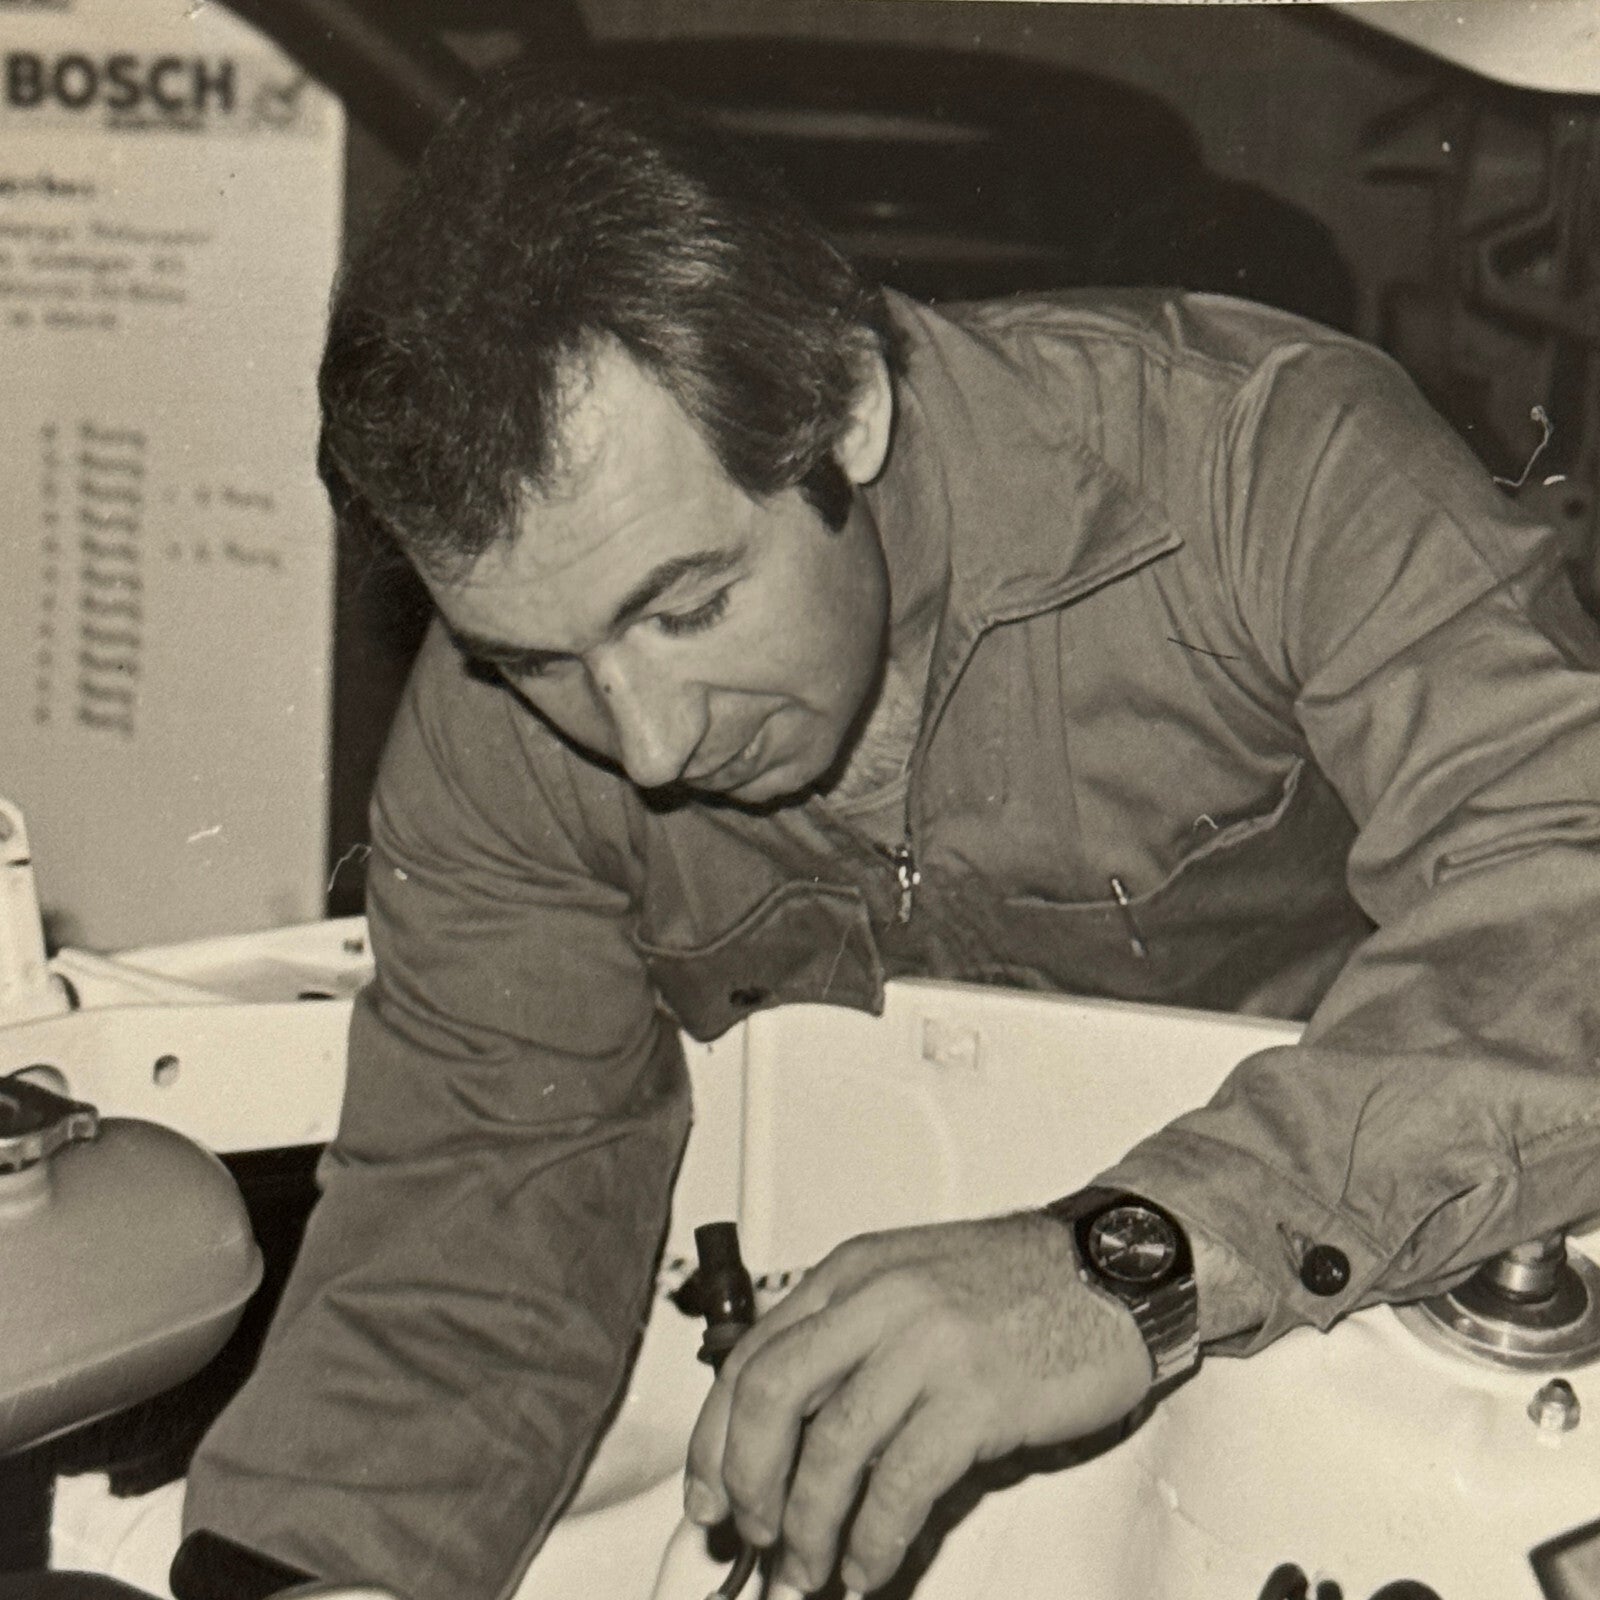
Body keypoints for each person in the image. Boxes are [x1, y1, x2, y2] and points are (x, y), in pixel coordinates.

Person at [177, 73, 1600, 1600]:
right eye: (535, 660)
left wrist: (1127, 1256)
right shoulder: (503, 725)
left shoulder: (1273, 465)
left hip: (1369, 1301)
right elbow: (479, 1188)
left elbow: (1563, 890)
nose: (644, 744)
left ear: (844, 406)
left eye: (688, 605)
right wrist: (302, 1572)